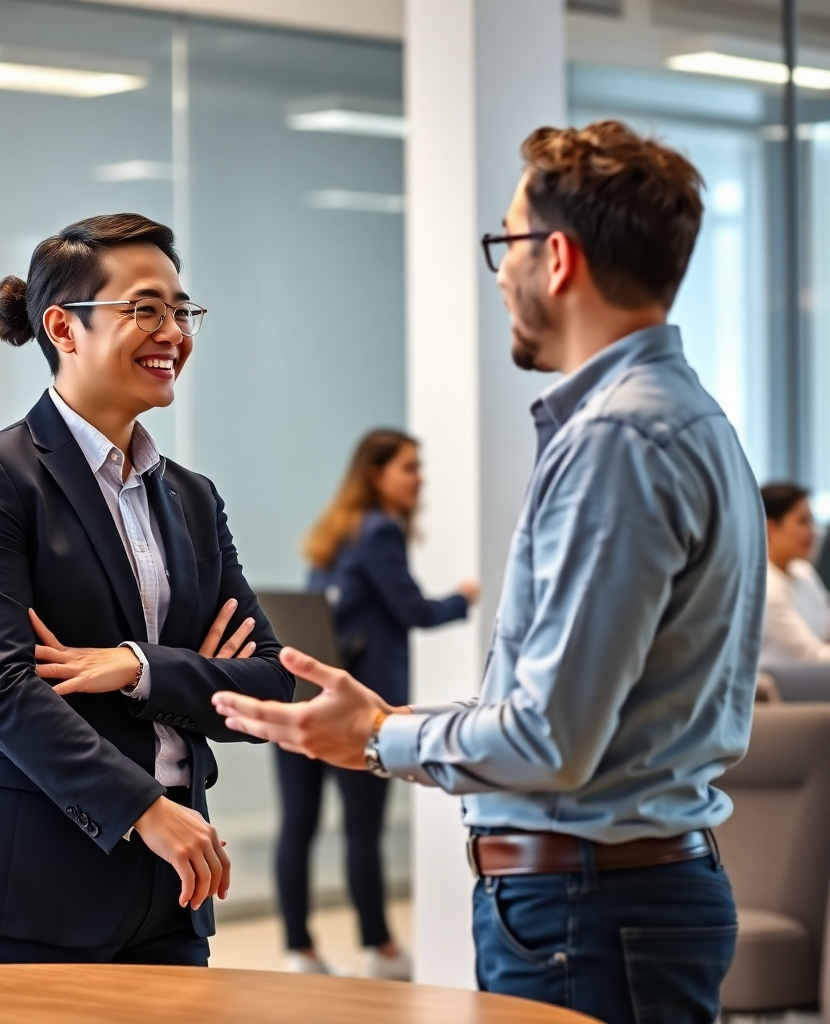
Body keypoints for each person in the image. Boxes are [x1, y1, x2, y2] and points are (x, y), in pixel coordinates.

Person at [213, 120, 766, 1024]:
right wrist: (387, 721)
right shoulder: (682, 418)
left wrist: (380, 739)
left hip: (588, 912)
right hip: (608, 902)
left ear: (556, 258)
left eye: (505, 243)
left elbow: (552, 740)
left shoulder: (620, 440)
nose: (499, 271)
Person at [0, 213, 295, 965]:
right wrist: (146, 806)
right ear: (64, 327)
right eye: (145, 309)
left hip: (172, 893)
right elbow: (3, 690)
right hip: (34, 892)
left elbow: (271, 684)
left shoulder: (190, 497)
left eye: (182, 311)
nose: (174, 333)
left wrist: (138, 666)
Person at [278, 429, 478, 978]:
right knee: (362, 829)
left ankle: (300, 950)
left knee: (298, 824)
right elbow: (413, 609)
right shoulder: (381, 531)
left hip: (302, 697)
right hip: (360, 708)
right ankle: (382, 950)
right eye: (409, 468)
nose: (420, 480)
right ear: (377, 473)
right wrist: (464, 598)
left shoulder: (336, 531)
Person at [760, 482, 830, 666]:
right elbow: (811, 657)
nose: (812, 531)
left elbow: (827, 627)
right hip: (783, 690)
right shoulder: (764, 586)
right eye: (802, 522)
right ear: (771, 528)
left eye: (811, 521)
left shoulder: (803, 571)